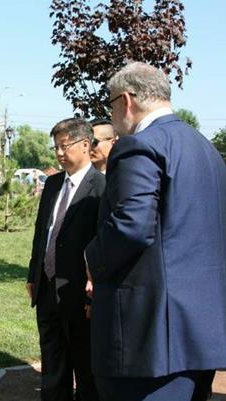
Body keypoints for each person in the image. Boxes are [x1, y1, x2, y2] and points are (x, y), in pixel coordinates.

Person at [84, 62, 226, 401]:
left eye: (111, 105)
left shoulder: (140, 145)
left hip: (148, 339)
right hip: (200, 332)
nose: (112, 115)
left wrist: (92, 257)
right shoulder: (206, 149)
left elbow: (132, 225)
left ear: (127, 100)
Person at [27, 118, 104, 401]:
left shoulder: (102, 187)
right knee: (53, 365)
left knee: (85, 367)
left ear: (85, 145)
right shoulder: (53, 183)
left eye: (64, 146)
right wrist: (32, 276)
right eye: (55, 147)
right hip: (47, 288)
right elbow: (42, 233)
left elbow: (101, 242)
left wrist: (95, 287)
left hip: (79, 291)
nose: (59, 153)